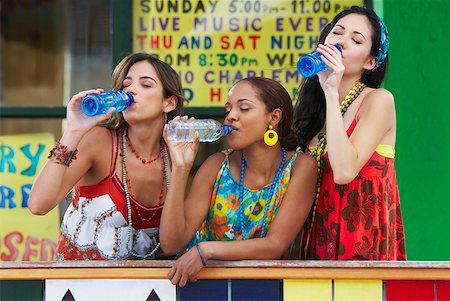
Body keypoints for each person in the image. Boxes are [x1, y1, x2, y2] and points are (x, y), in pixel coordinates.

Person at [160, 77, 317, 287]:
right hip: (200, 287)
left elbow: (274, 245)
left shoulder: (300, 166)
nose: (231, 117)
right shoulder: (215, 165)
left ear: (274, 117)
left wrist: (206, 250)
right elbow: (172, 244)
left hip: (265, 290)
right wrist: (181, 168)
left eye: (244, 108)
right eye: (228, 110)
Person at [28, 53, 184, 260]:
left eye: (146, 85)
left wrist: (182, 167)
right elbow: (38, 204)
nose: (131, 90)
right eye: (126, 85)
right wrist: (73, 132)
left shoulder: (176, 156)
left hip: (142, 289)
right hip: (76, 285)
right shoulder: (100, 141)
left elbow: (172, 246)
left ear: (169, 103)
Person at [293, 6, 406, 260]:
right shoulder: (315, 108)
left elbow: (344, 171)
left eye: (356, 40)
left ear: (370, 62)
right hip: (317, 242)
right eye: (337, 33)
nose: (341, 43)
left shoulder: (379, 100)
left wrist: (331, 92)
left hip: (361, 243)